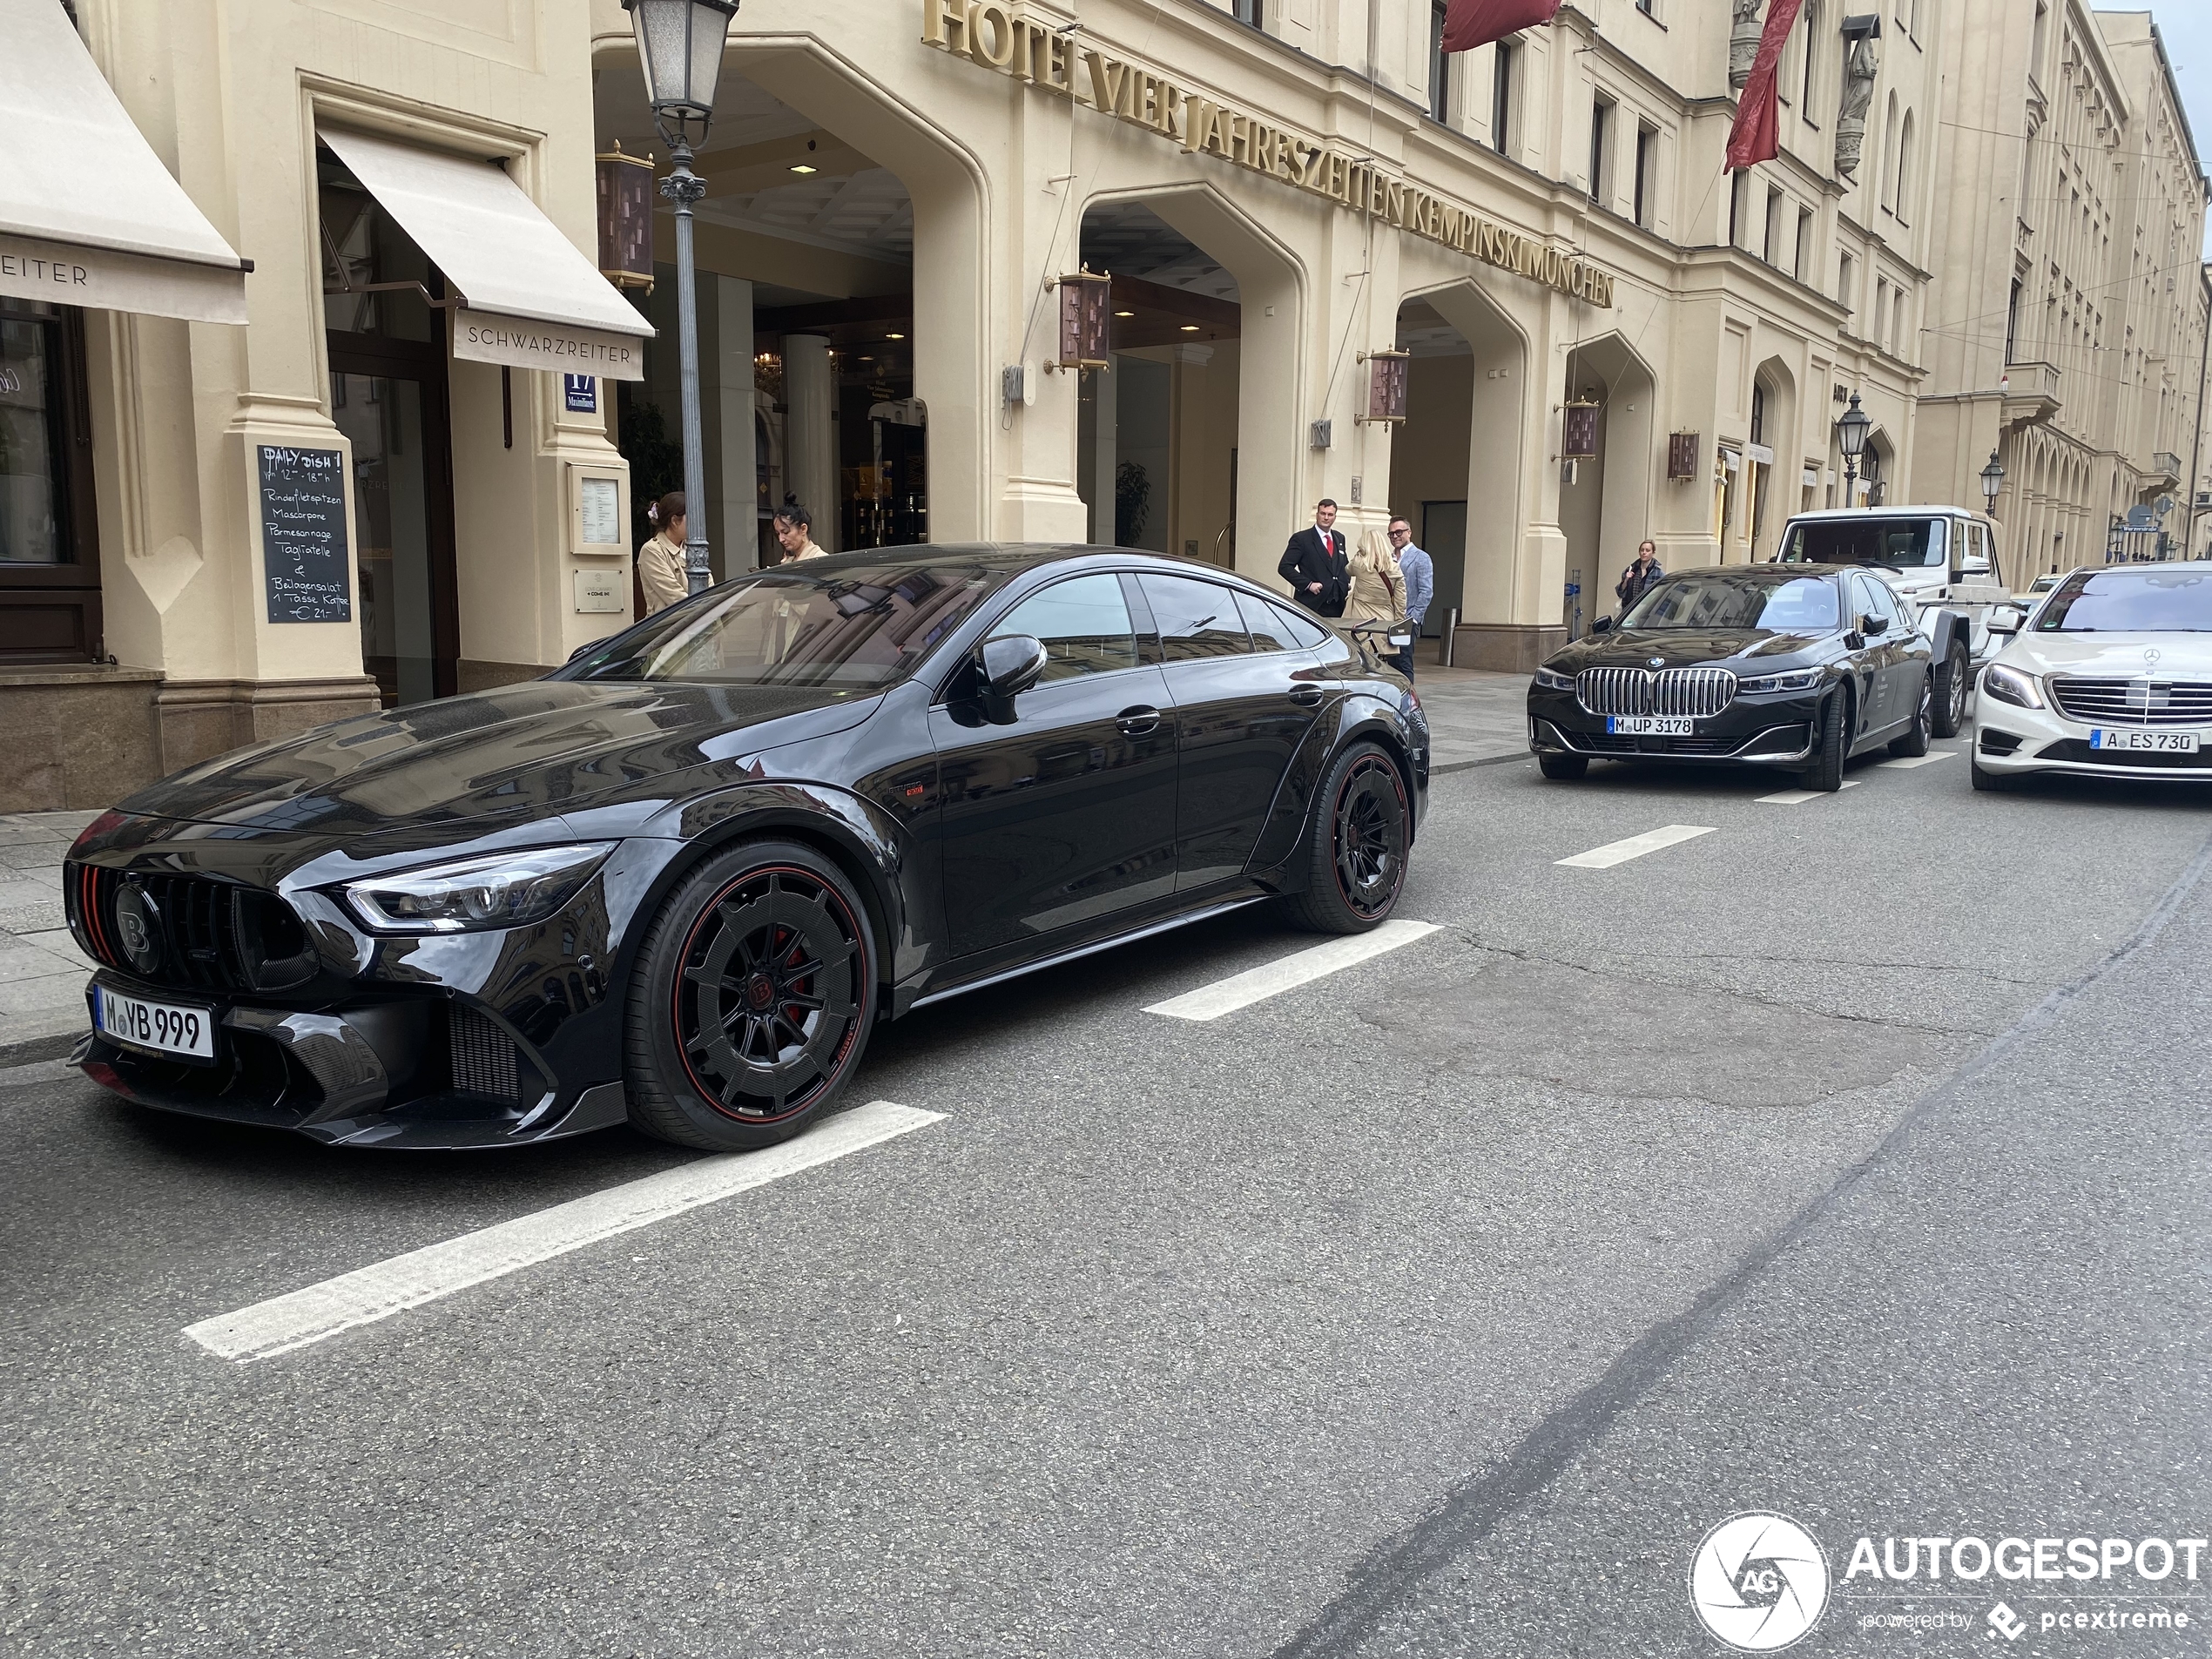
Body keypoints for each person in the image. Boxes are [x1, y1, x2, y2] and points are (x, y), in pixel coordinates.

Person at [1343, 526, 1411, 677]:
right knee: (1381, 662)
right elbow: (1401, 601)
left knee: (1362, 661)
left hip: (1360, 620)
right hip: (1384, 621)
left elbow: (1347, 570)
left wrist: (1359, 554)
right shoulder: (1394, 569)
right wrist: (1398, 623)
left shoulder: (1359, 564)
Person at [1278, 498, 1348, 617]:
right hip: (1312, 604)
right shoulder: (1301, 539)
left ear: (1335, 517)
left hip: (1337, 605)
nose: (1326, 518)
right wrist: (1308, 584)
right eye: (1323, 513)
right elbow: (1284, 567)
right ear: (1317, 515)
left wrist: (1345, 583)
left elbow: (1343, 565)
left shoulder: (1339, 538)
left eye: (1330, 514)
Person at [1387, 516, 1431, 680]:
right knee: (1391, 663)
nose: (1395, 536)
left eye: (1399, 532)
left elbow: (1426, 591)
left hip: (1407, 619)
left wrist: (1413, 619)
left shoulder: (1421, 557)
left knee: (1404, 662)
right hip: (1388, 619)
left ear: (1409, 532)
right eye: (1391, 534)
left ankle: (1409, 702)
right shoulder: (1388, 557)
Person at [637, 492, 689, 615]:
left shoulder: (693, 546)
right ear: (675, 521)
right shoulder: (652, 550)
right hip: (670, 628)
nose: (698, 525)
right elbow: (675, 596)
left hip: (702, 624)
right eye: (692, 518)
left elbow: (709, 587)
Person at [1615, 539, 1664, 619]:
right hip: (1629, 611)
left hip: (1647, 613)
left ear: (1653, 553)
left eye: (1647, 550)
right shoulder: (1631, 569)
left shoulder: (1658, 573)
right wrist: (1626, 580)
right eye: (1642, 550)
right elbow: (1620, 592)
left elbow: (1661, 596)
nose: (1644, 552)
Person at [773, 498, 828, 562]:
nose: (781, 539)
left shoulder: (821, 559)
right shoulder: (787, 562)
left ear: (803, 529)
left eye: (786, 532)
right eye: (778, 533)